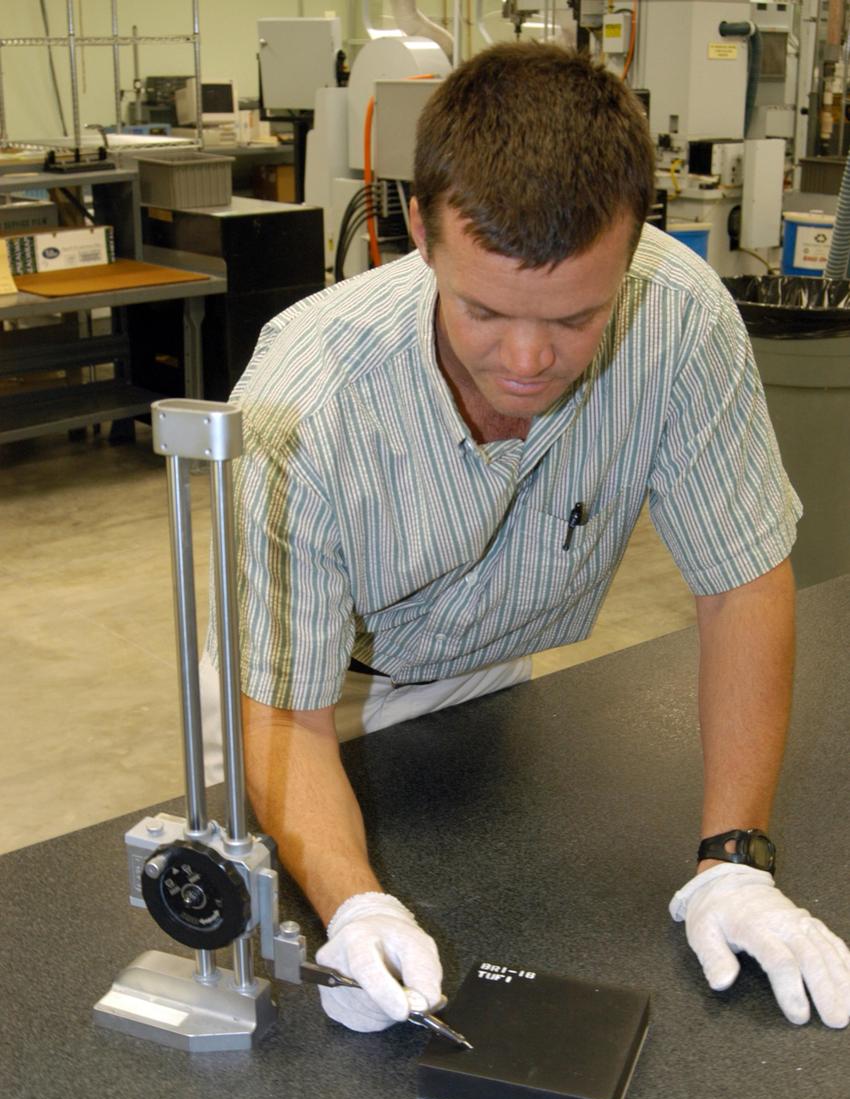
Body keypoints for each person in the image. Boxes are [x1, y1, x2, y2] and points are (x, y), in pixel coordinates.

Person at [201, 42, 850, 1033]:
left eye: (577, 317)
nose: (526, 360)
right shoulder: (306, 403)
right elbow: (284, 715)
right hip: (302, 693)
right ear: (420, 230)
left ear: (633, 243)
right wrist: (355, 903)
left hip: (483, 677)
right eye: (485, 310)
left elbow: (741, 585)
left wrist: (735, 860)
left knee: (509, 891)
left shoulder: (680, 321)